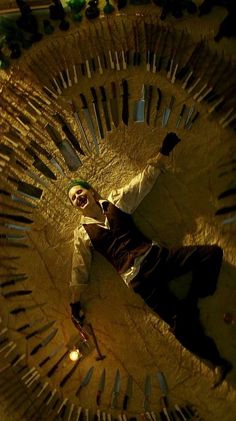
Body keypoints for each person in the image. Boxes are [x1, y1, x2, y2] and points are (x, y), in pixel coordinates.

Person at [68, 132, 232, 389]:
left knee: (211, 255)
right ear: (76, 206)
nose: (79, 198)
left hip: (158, 258)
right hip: (140, 282)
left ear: (89, 190)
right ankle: (217, 362)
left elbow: (143, 182)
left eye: (79, 192)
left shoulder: (115, 201)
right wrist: (74, 304)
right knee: (179, 328)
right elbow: (79, 269)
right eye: (74, 199)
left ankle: (194, 299)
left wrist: (163, 152)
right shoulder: (82, 234)